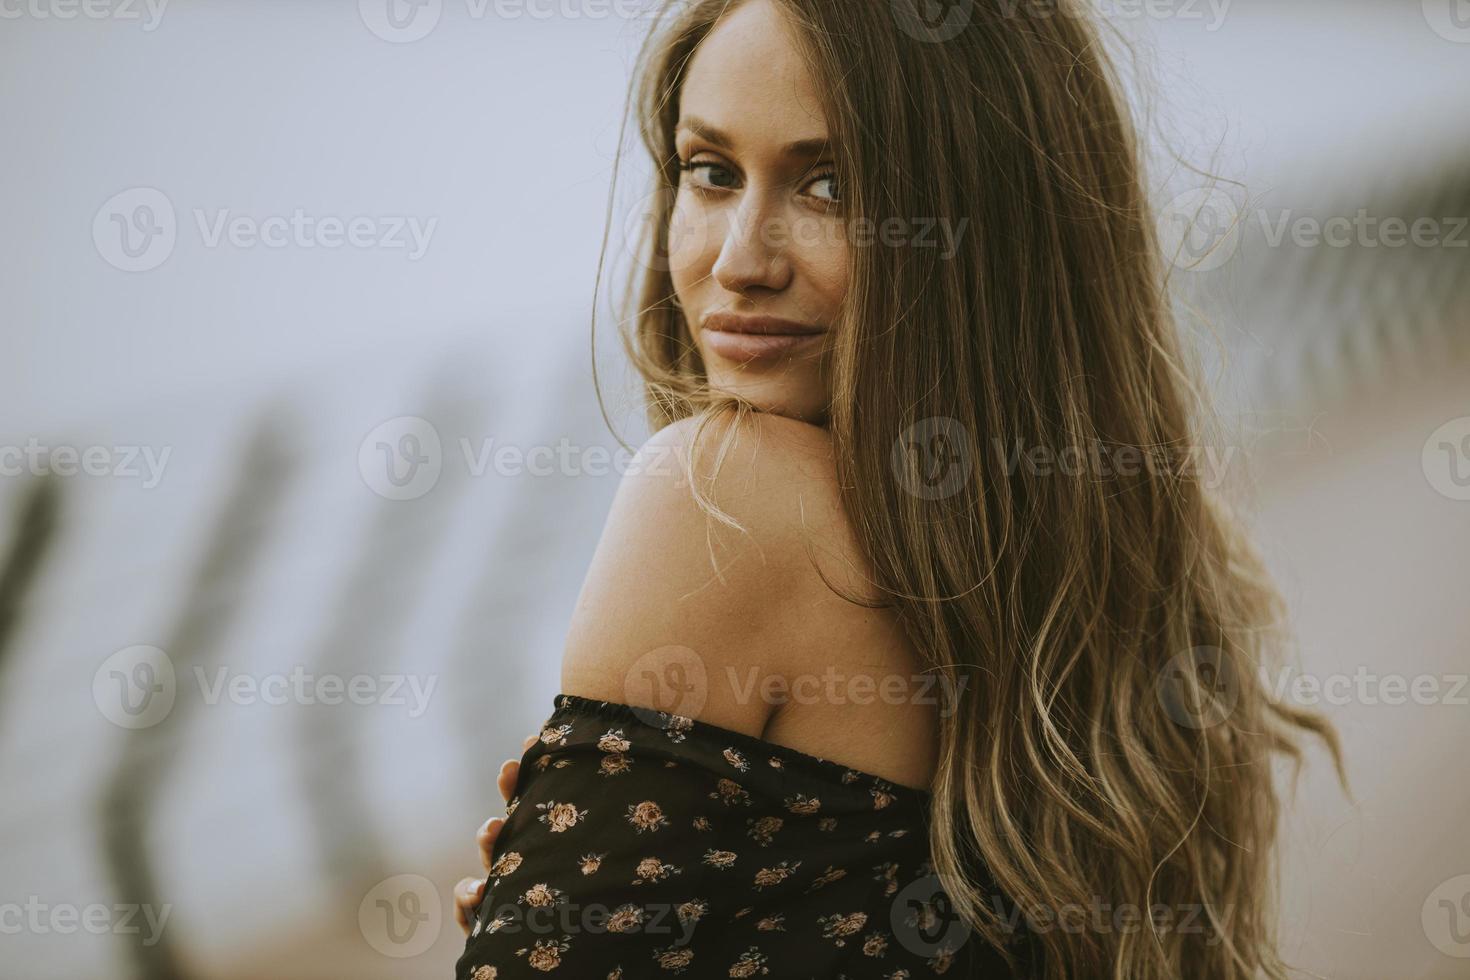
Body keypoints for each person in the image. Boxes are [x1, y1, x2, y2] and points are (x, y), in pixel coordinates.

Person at [452, 0, 1341, 976]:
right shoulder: (1118, 595)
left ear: (985, 232)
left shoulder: (718, 497)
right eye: (710, 172)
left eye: (832, 184)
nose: (741, 260)